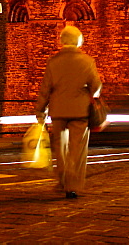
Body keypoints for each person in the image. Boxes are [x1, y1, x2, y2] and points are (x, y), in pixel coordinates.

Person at [35, 24, 102, 199]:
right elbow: (96, 87)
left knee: (60, 149)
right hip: (80, 112)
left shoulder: (53, 62)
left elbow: (45, 89)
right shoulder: (87, 61)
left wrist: (40, 110)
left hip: (58, 111)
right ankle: (72, 185)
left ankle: (62, 178)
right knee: (77, 150)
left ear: (62, 41)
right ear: (79, 41)